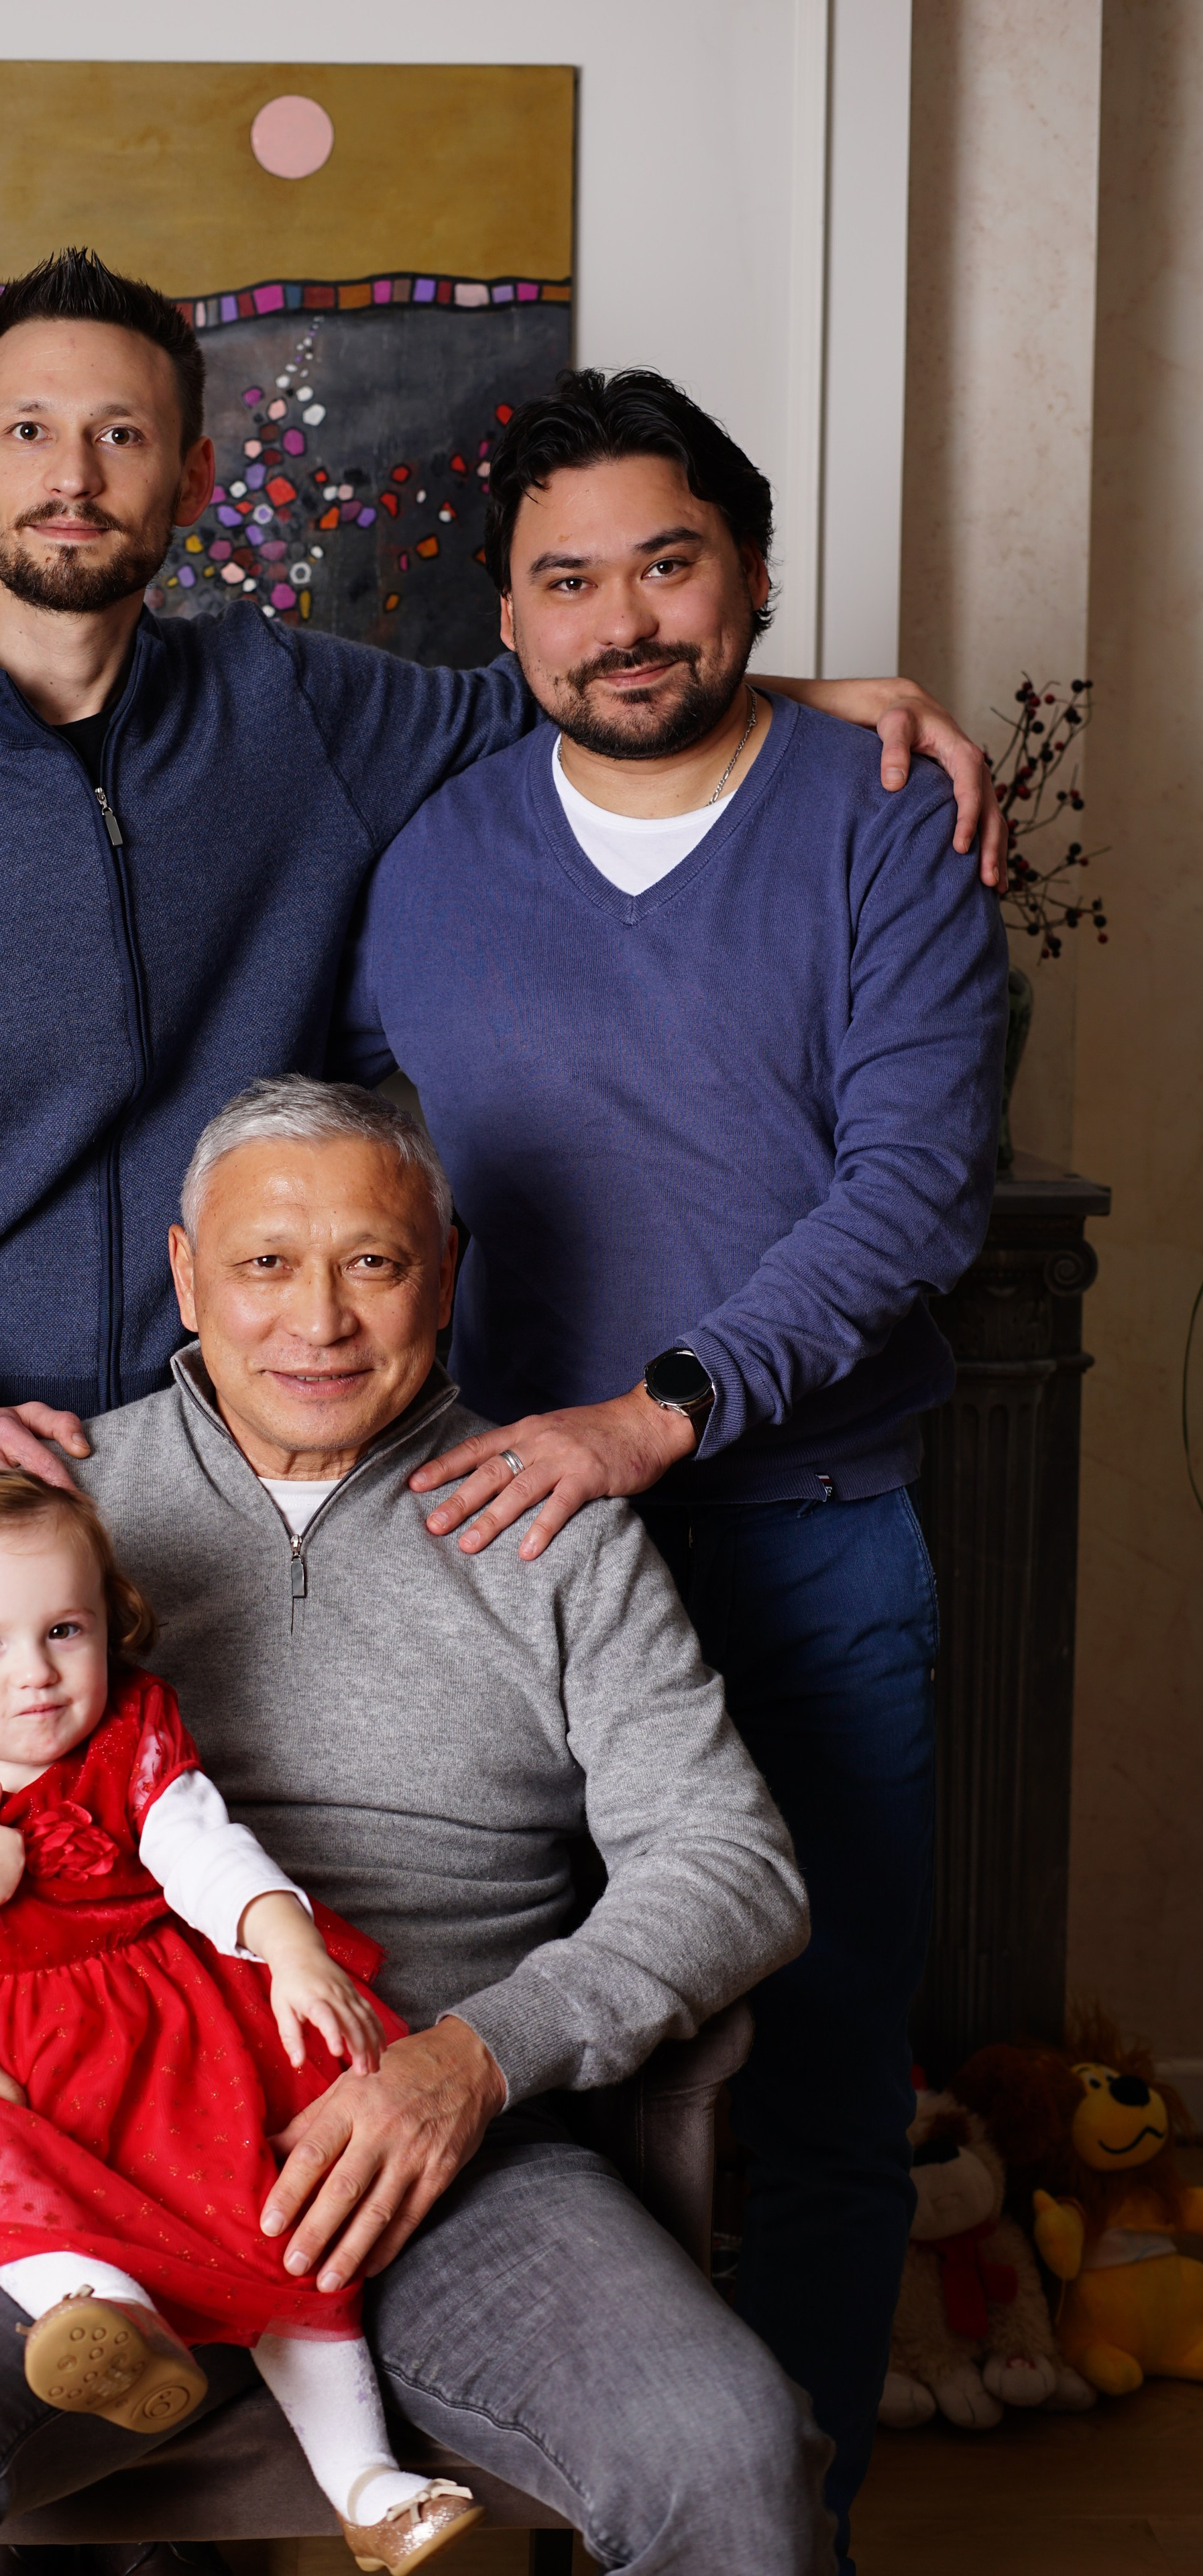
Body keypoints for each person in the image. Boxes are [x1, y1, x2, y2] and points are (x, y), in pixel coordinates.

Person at [0, 247, 1005, 1684]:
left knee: (236, 1899)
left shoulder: (291, 703)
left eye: (120, 434)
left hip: (231, 1473)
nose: (72, 473)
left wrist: (801, 701)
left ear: (190, 477)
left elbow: (585, 673)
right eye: (28, 431)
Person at [0, 1078, 826, 2575]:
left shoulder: (555, 1533)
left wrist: (476, 2061)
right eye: (263, 1265)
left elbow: (731, 1866)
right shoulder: (49, 1518)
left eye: (371, 1261)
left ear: (445, 1268)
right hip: (70, 2158)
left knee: (724, 2448)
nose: (319, 1321)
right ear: (184, 1274)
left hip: (434, 2148)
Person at [333, 369, 1008, 2567]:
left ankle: (774, 2520)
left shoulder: (882, 818)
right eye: (568, 580)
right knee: (528, 2063)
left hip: (808, 1543)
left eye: (669, 563)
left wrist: (664, 1406)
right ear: (505, 629)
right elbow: (385, 1197)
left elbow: (913, 1188)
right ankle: (553, 2497)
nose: (624, 619)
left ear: (756, 577)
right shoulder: (429, 862)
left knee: (818, 2078)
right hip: (502, 1579)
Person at [0, 1466, 483, 2575]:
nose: (38, 1675)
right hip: (1, 2069)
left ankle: (367, 2482)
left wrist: (286, 1942)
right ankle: (95, 2308)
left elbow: (204, 1852)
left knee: (285, 2228)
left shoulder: (133, 1736)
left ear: (111, 1624)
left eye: (66, 1629)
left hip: (150, 2044)